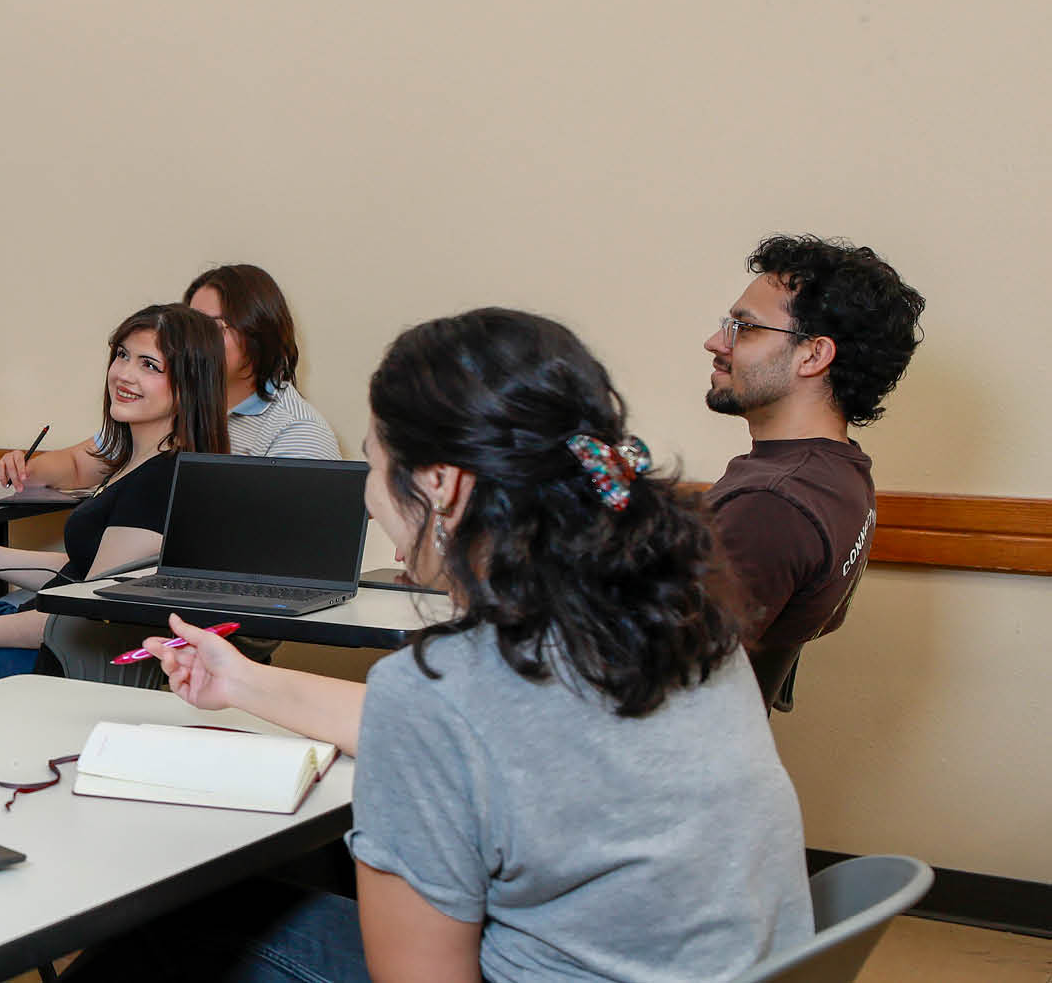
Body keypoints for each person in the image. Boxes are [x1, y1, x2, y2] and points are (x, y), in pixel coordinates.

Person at [69, 309, 810, 982]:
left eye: (373, 459)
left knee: (161, 931)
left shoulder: (444, 690)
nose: (367, 491)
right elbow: (484, 737)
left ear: (442, 484)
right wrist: (243, 683)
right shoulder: (681, 611)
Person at [0, 304, 230, 707]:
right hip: (44, 633)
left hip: (53, 659)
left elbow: (85, 612)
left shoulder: (161, 481)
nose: (124, 374)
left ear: (189, 384)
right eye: (123, 355)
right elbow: (83, 574)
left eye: (149, 365)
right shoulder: (134, 461)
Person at [701, 235, 923, 705]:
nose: (716, 343)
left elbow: (659, 680)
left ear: (813, 355)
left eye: (746, 328)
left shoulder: (771, 503)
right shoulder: (837, 471)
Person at [0, 264, 338, 488]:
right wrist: (24, 471)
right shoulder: (173, 396)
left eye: (212, 328)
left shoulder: (296, 431)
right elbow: (82, 461)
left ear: (258, 336)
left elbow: (280, 541)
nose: (195, 340)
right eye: (191, 324)